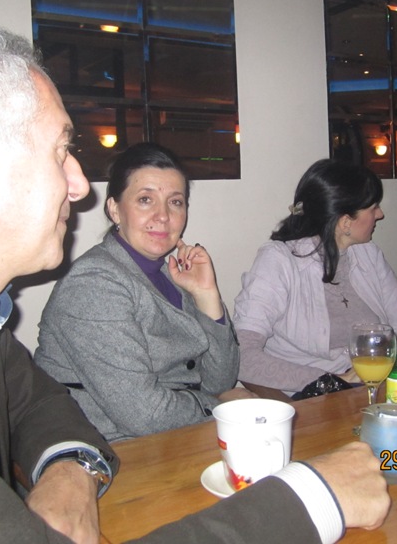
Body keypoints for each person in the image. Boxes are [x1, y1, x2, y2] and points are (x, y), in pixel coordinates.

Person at [0, 14, 389, 544]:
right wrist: (309, 496)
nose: (78, 185)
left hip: (171, 450)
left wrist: (70, 463)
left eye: (176, 201)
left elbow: (35, 399)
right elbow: (156, 408)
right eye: (61, 151)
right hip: (148, 457)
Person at [36, 142, 253, 442]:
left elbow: (220, 381)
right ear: (115, 210)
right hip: (109, 449)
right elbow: (144, 414)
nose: (163, 216)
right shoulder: (93, 284)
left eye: (175, 202)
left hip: (173, 437)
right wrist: (222, 408)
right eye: (145, 199)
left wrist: (207, 296)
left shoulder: (172, 274)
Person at [234, 159, 397, 397]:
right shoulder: (278, 261)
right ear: (345, 222)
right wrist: (332, 381)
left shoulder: (369, 254)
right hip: (312, 400)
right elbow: (243, 357)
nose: (380, 214)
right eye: (373, 207)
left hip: (376, 389)